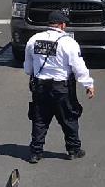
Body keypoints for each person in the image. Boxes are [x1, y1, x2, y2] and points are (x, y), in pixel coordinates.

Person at [24, 10, 95, 164]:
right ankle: (73, 150)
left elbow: (28, 68)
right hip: (61, 88)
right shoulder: (68, 42)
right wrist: (88, 84)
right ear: (62, 25)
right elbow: (78, 67)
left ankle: (35, 152)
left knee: (40, 120)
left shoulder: (34, 40)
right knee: (69, 118)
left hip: (40, 87)